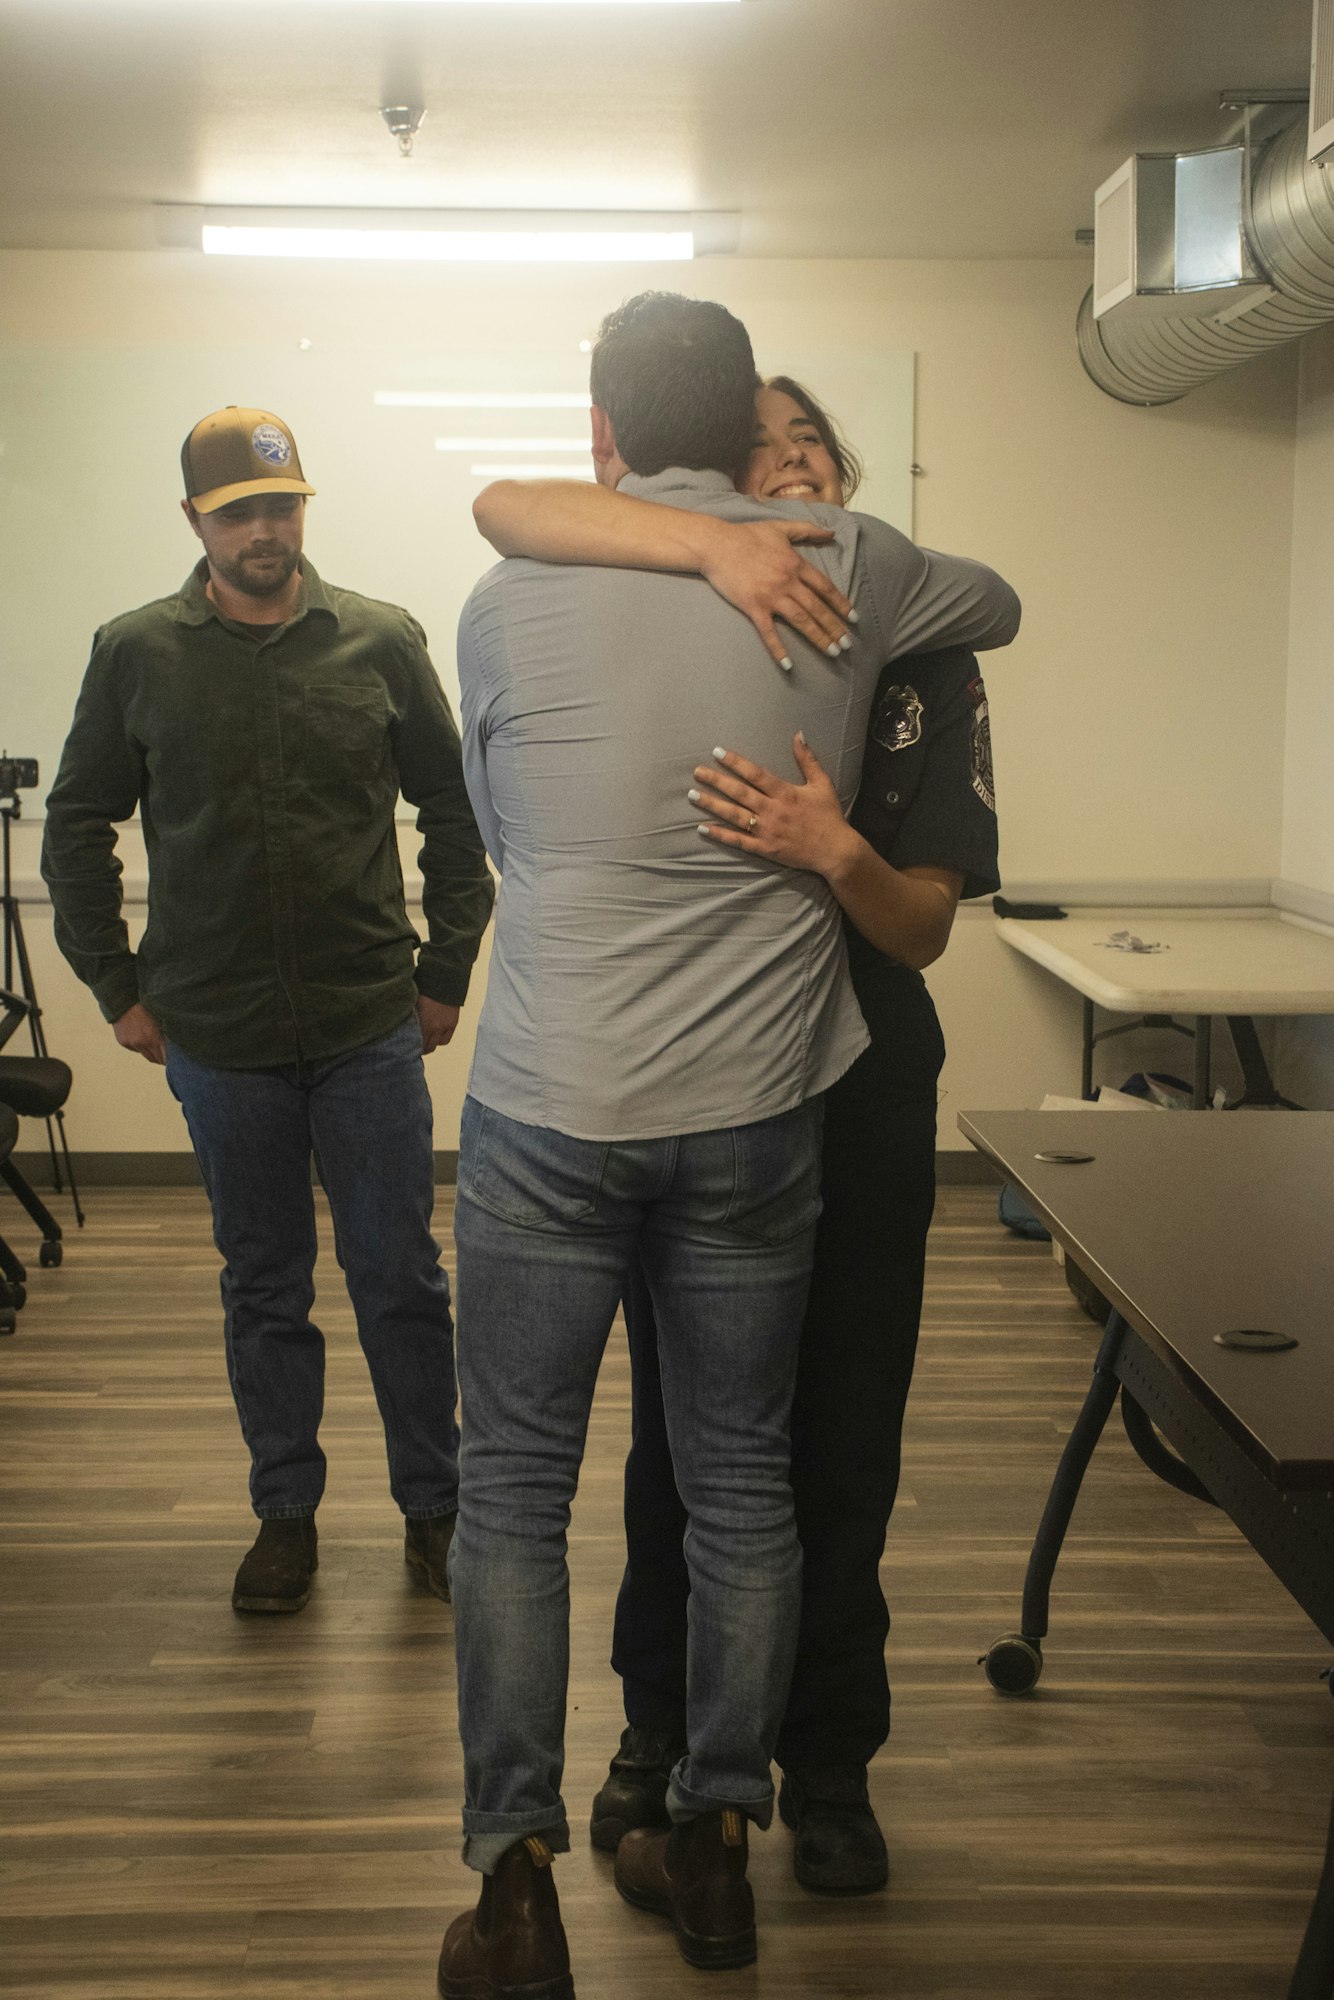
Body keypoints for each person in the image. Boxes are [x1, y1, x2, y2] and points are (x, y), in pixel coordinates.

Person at [441, 294, 1018, 1999]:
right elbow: (996, 601)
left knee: (513, 1496)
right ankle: (715, 1847)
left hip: (548, 1110)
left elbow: (501, 824)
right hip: (756, 1121)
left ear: (604, 432)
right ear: (740, 426)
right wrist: (774, 539)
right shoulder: (851, 564)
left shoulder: (499, 600)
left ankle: (518, 1883)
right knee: (744, 1482)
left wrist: (684, 539)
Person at [41, 405, 493, 1617]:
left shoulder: (381, 642)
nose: (263, 530)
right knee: (262, 1282)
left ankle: (433, 1508)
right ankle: (284, 1514)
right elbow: (75, 827)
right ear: (196, 520)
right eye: (238, 510)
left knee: (398, 1272)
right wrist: (117, 986)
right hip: (219, 1035)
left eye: (281, 507)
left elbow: (458, 821)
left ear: (304, 510)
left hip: (363, 1023)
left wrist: (444, 971)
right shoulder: (135, 651)